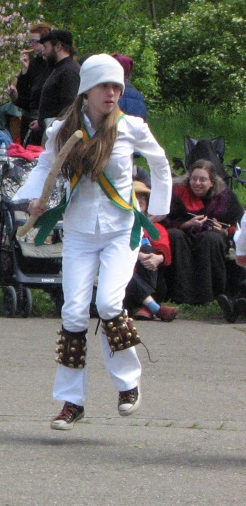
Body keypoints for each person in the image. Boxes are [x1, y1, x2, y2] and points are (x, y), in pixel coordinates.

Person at [16, 54, 171, 432]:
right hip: (81, 232)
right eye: (106, 86)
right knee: (72, 312)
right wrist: (33, 198)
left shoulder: (131, 127)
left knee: (108, 302)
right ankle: (72, 402)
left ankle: (128, 385)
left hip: (121, 231)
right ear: (87, 90)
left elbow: (160, 162)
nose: (113, 93)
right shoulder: (61, 129)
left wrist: (160, 209)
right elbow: (44, 166)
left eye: (117, 87)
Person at [163, 160, 243, 308]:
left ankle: (207, 295)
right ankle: (180, 294)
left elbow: (238, 225)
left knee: (212, 239)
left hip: (210, 236)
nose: (197, 183)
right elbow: (164, 219)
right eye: (194, 179)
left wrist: (224, 231)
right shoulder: (177, 193)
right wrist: (185, 224)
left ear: (212, 182)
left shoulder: (224, 198)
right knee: (175, 235)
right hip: (184, 234)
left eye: (202, 179)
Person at [126, 182, 178, 322]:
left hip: (151, 278)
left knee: (150, 251)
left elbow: (165, 251)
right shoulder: (121, 227)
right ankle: (154, 308)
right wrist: (139, 256)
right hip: (126, 282)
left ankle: (147, 307)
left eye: (143, 196)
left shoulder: (155, 227)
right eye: (135, 196)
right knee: (122, 270)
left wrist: (157, 258)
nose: (140, 200)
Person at [6, 22, 52, 145]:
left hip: (44, 121)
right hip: (29, 119)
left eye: (34, 42)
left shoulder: (52, 65)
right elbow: (25, 97)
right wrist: (25, 70)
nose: (31, 45)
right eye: (29, 42)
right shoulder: (34, 64)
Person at [35, 28, 80, 136]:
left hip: (60, 133)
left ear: (58, 47)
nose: (43, 52)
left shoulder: (69, 71)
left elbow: (69, 107)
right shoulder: (59, 69)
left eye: (46, 47)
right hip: (52, 131)